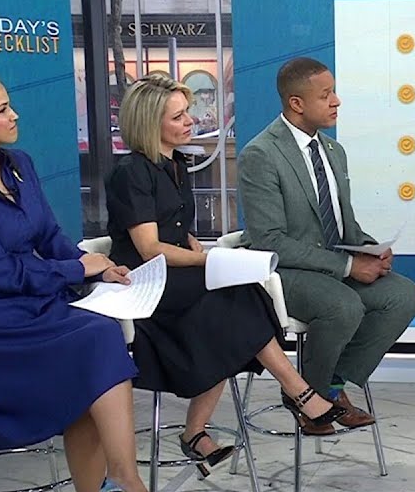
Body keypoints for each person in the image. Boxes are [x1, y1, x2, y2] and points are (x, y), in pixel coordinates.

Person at [0, 65, 184, 492]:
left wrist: (96, 266)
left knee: (95, 353)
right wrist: (76, 271)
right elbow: (0, 273)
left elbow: (48, 237)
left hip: (33, 299)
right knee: (94, 342)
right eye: (3, 110)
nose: (14, 115)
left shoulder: (17, 164)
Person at [104, 73, 348, 451]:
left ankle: (202, 431)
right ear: (150, 124)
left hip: (177, 273)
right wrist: (208, 261)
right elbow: (150, 248)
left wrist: (199, 250)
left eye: (187, 112)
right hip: (143, 280)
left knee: (238, 303)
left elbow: (176, 229)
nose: (191, 121)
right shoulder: (131, 172)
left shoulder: (176, 164)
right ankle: (296, 393)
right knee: (232, 305)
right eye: (178, 117)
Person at [237, 58, 415, 429]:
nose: (336, 101)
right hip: (285, 271)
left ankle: (331, 386)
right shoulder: (261, 155)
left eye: (334, 91)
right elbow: (269, 241)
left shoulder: (333, 151)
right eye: (325, 95)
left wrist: (369, 248)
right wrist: (350, 267)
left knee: (403, 296)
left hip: (329, 264)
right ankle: (309, 399)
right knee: (343, 305)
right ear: (297, 103)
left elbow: (340, 221)